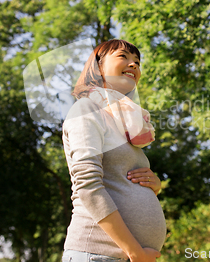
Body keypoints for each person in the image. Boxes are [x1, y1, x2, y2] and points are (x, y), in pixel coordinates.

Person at [61, 39, 167, 262]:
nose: (134, 64)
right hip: (96, 254)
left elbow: (119, 179)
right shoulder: (86, 110)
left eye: (137, 61)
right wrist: (135, 252)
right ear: (99, 67)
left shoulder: (125, 125)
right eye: (123, 57)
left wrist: (153, 186)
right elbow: (88, 186)